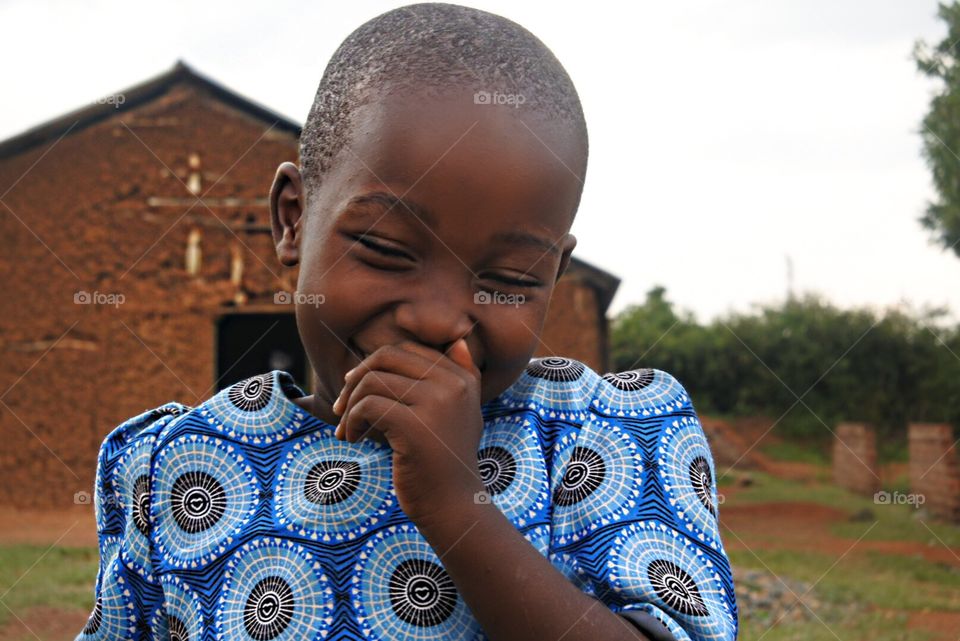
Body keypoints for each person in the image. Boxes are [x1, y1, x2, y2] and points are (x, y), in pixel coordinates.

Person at [76, 4, 738, 640]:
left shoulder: (603, 439)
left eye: (508, 280)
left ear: (553, 279)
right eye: (388, 251)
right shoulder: (182, 466)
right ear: (292, 219)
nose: (437, 317)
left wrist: (456, 506)